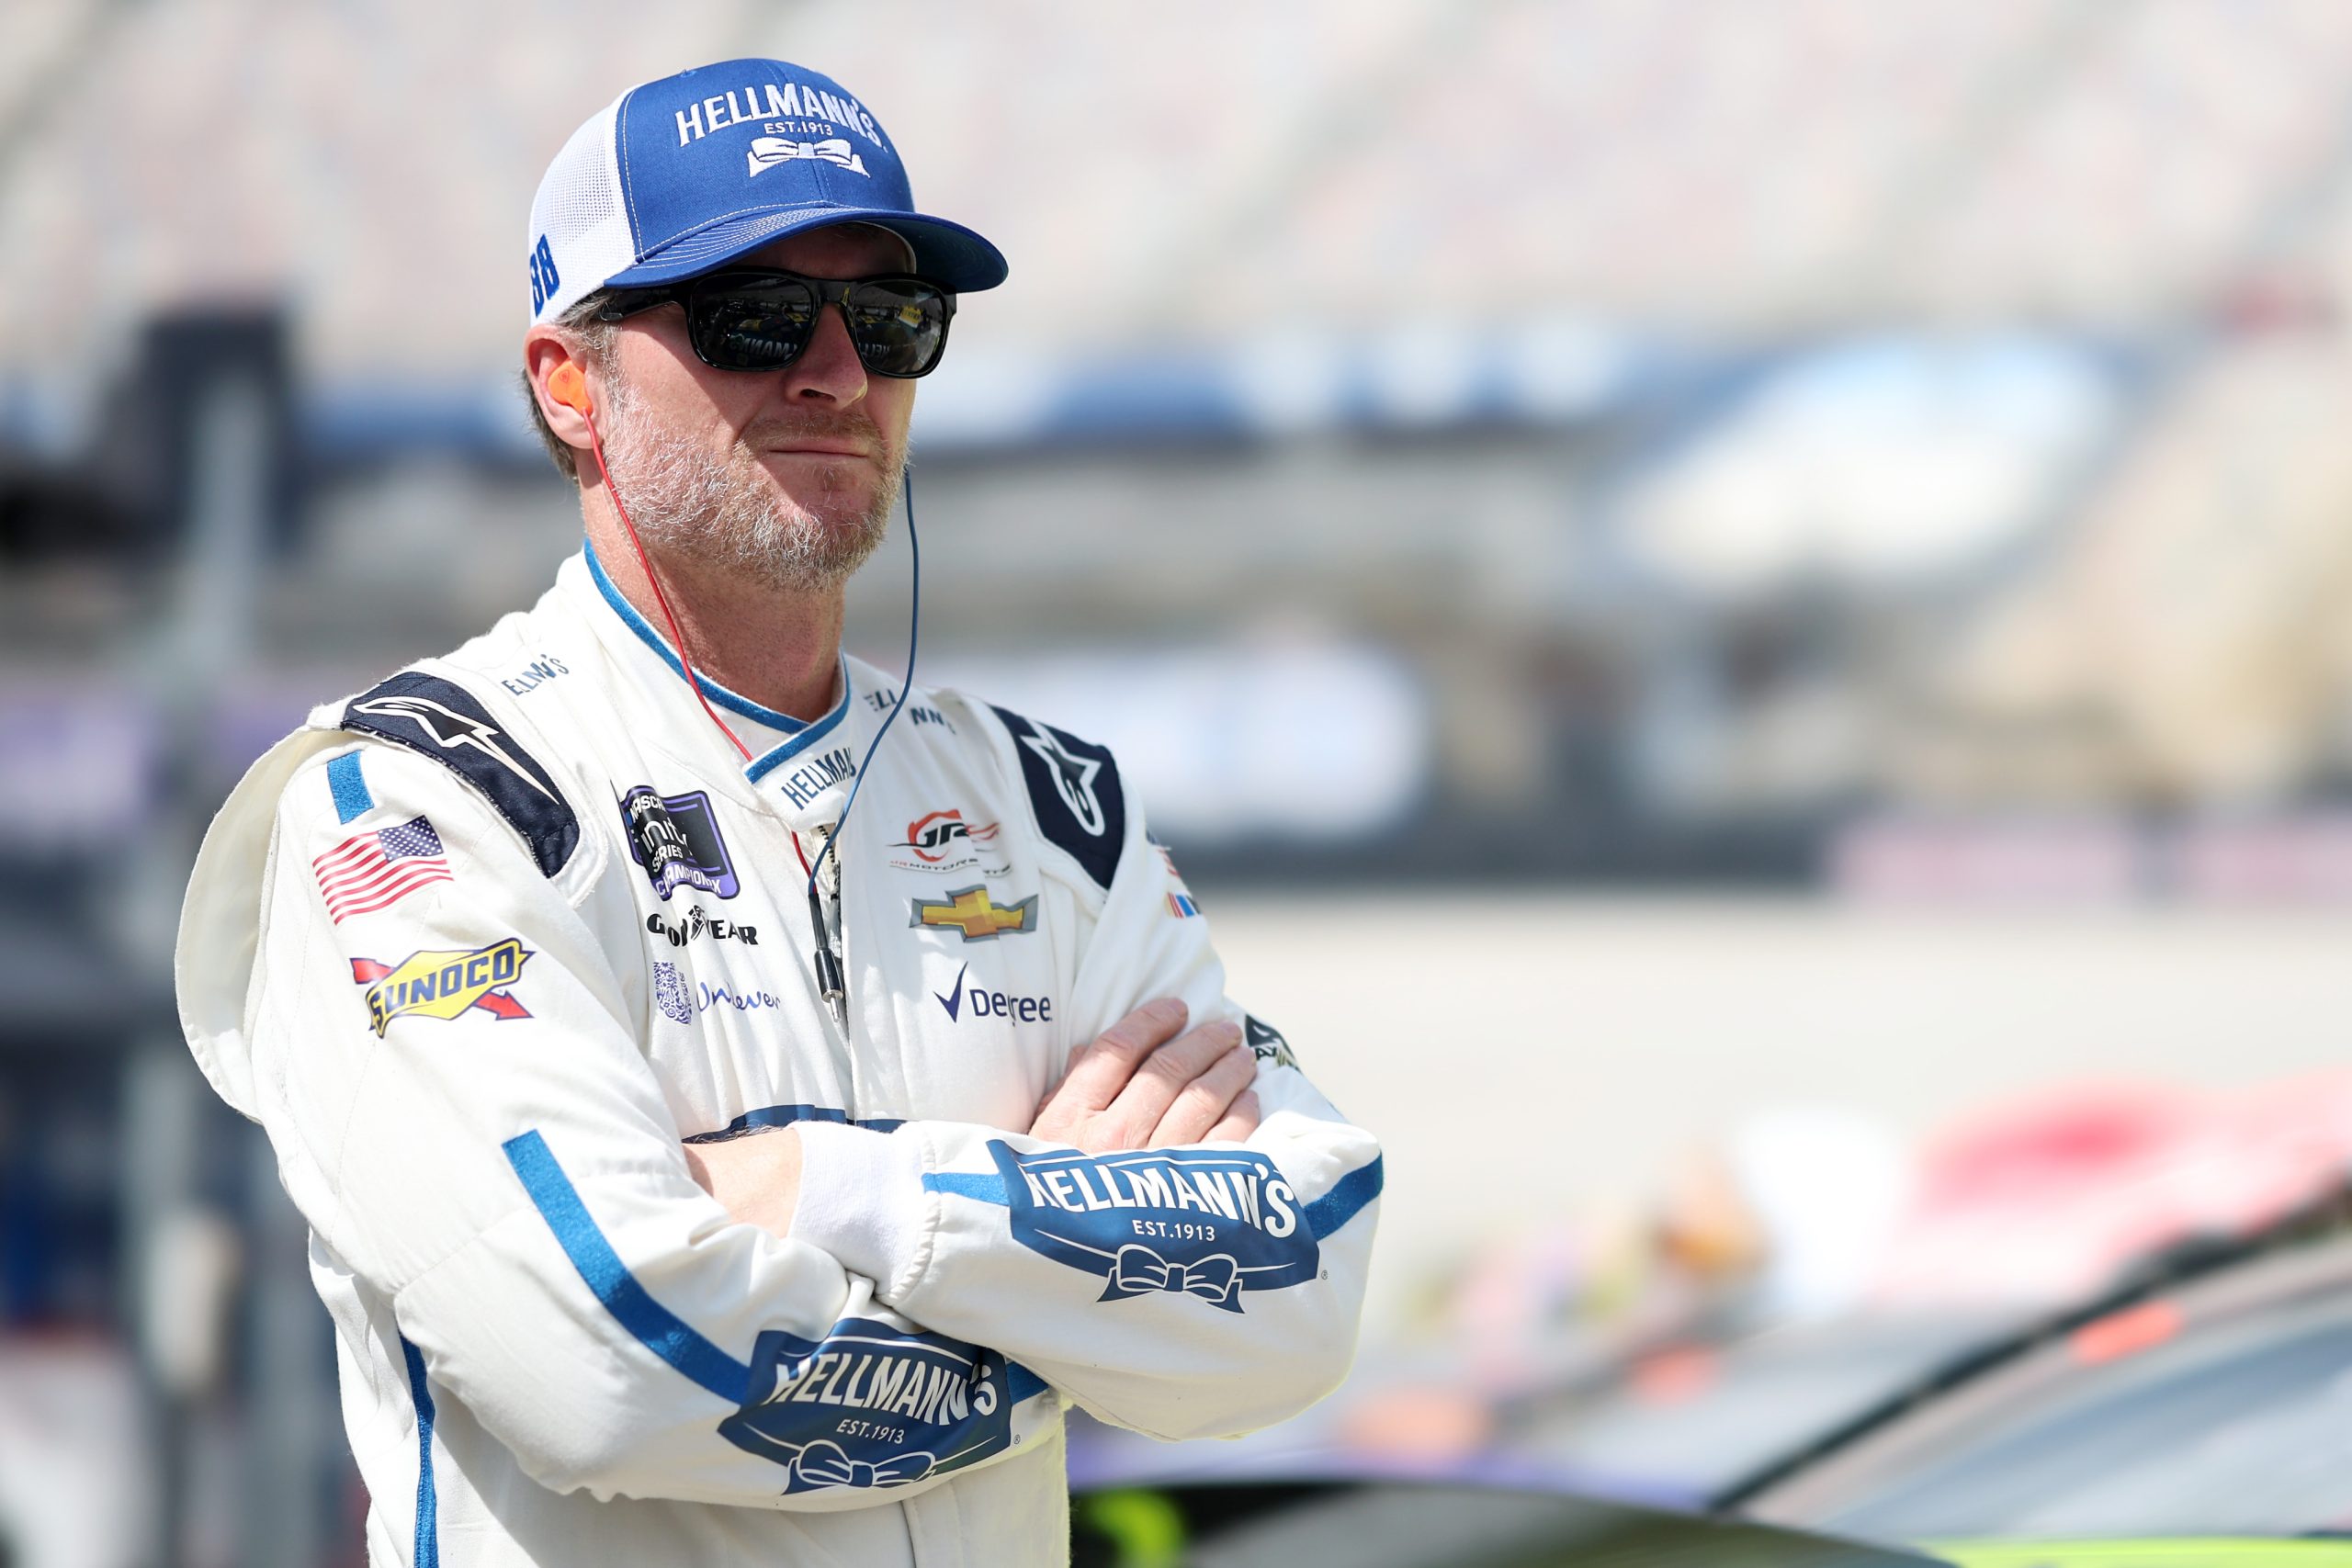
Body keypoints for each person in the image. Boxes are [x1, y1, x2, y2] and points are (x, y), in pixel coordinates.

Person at [175, 57, 1382, 1568]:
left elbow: (1304, 1285)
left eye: (889, 322)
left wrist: (839, 1190)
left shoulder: (1042, 802)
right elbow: (606, 1368)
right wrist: (1069, 1336)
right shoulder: (417, 804)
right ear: (569, 380)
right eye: (752, 317)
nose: (832, 374)